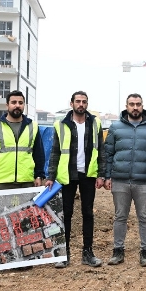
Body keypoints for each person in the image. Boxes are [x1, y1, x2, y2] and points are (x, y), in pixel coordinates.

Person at [45, 91, 105, 268]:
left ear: (87, 104)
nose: (81, 104)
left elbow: (101, 150)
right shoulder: (61, 125)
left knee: (88, 213)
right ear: (71, 103)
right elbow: (55, 152)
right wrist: (50, 176)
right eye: (78, 101)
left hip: (88, 174)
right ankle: (64, 253)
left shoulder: (95, 123)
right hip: (67, 175)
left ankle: (88, 253)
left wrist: (101, 174)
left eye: (84, 102)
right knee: (66, 214)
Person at [103, 93, 146, 267]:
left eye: (138, 104)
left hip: (144, 181)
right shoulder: (115, 127)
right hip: (120, 180)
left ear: (143, 106)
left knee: (145, 217)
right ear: (126, 106)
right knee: (120, 216)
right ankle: (118, 251)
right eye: (132, 104)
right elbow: (108, 153)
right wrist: (107, 176)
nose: (135, 107)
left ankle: (145, 253)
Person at [0, 89, 45, 193]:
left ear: (24, 105)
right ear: (7, 105)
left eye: (20, 103)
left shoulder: (33, 126)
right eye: (13, 102)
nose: (17, 105)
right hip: (1, 183)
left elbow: (39, 154)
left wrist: (39, 176)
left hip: (26, 182)